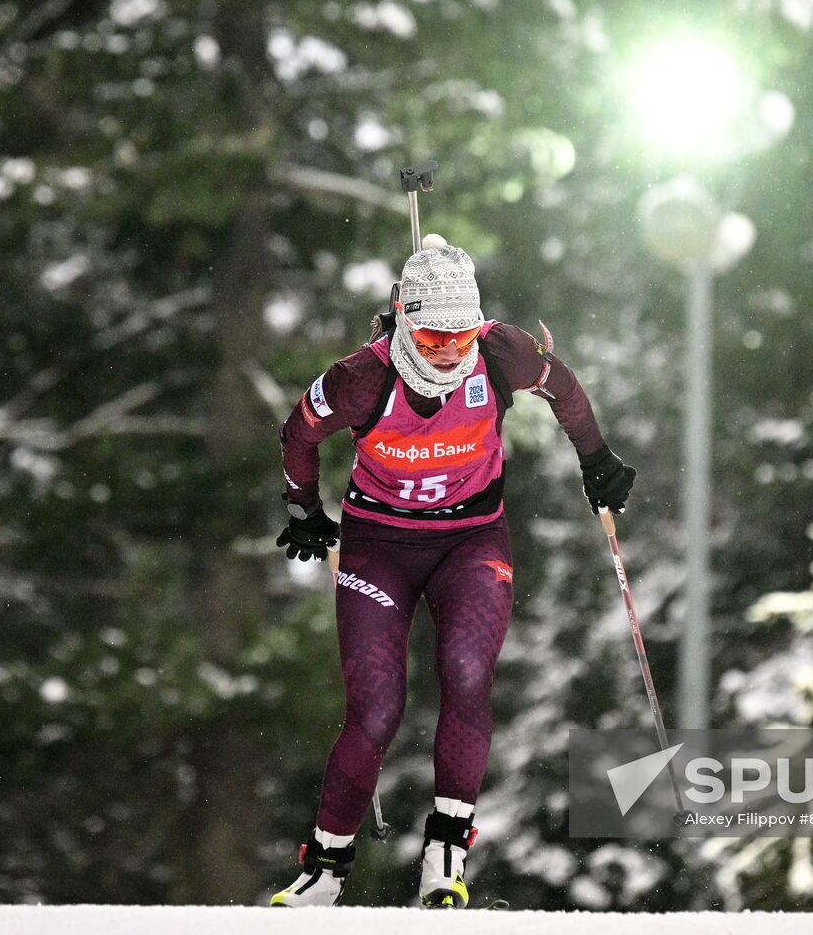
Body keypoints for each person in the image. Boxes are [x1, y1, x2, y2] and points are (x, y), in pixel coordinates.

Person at [268, 235, 636, 909]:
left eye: (460, 332)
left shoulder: (502, 350)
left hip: (471, 538)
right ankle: (324, 869)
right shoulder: (362, 376)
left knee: (467, 671)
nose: (447, 347)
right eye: (433, 333)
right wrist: (303, 509)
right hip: (380, 542)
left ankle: (445, 855)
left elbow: (566, 389)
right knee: (376, 709)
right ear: (405, 318)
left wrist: (597, 458)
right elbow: (299, 432)